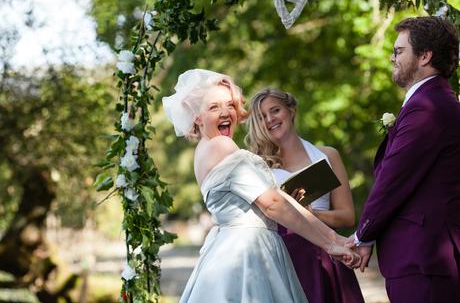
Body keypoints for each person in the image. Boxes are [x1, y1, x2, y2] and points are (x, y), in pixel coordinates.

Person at [162, 69, 360, 303]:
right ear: (197, 116)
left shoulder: (204, 150)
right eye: (214, 107)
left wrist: (334, 239)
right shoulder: (221, 146)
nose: (226, 113)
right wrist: (329, 244)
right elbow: (274, 204)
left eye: (230, 105)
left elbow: (278, 199)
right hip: (248, 255)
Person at [346, 16, 460, 303]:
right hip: (422, 260)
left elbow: (393, 179)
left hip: (423, 260)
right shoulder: (434, 101)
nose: (391, 58)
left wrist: (363, 236)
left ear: (425, 55)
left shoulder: (428, 108)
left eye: (399, 51)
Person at [245, 88, 364, 303]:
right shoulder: (259, 165)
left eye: (275, 110)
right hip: (283, 257)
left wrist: (311, 213)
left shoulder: (327, 155)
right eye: (262, 117)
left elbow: (347, 216)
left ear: (291, 110)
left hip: (325, 254)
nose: (270, 119)